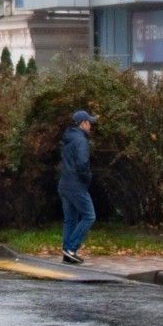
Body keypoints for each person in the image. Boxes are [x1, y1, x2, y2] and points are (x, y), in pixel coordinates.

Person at [58, 110, 98, 265]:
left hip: (64, 184)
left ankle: (67, 254)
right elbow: (82, 164)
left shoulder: (68, 138)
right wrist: (87, 180)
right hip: (76, 185)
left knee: (70, 220)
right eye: (89, 123)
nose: (90, 126)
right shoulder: (81, 141)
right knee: (89, 216)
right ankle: (71, 249)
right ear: (83, 123)